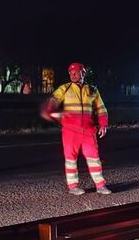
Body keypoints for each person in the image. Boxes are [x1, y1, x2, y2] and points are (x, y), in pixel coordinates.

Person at [43, 63, 111, 195]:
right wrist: (50, 110)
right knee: (70, 158)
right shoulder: (65, 88)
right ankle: (73, 186)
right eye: (71, 73)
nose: (73, 75)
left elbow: (101, 109)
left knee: (94, 158)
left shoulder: (92, 90)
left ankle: (100, 185)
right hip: (70, 131)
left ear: (83, 73)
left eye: (76, 72)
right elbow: (54, 100)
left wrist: (103, 124)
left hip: (88, 131)